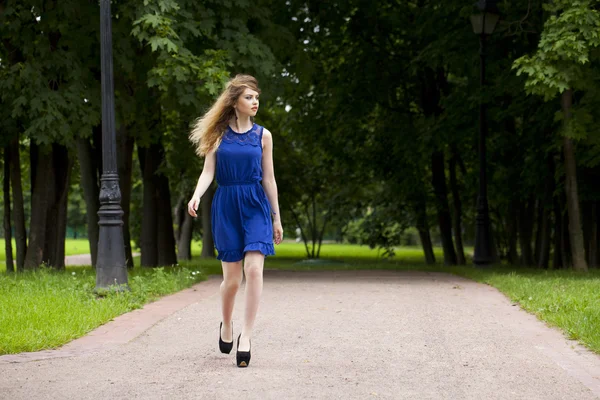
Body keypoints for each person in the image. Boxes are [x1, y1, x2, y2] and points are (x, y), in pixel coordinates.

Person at [187, 74, 283, 368]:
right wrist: (196, 196)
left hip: (255, 205)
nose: (255, 102)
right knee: (232, 281)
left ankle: (246, 336)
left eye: (256, 97)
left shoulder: (263, 136)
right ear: (235, 102)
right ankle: (226, 323)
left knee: (254, 270)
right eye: (249, 98)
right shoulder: (218, 134)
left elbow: (269, 178)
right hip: (226, 204)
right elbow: (208, 172)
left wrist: (276, 217)